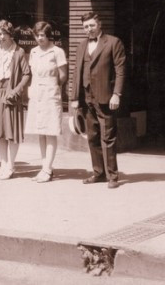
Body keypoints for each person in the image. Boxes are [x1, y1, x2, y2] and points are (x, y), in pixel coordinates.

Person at [74, 12, 126, 189]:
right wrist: (74, 98)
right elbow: (77, 72)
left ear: (99, 24)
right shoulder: (81, 46)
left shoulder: (113, 42)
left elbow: (120, 70)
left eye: (92, 25)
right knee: (92, 137)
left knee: (108, 137)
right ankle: (98, 172)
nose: (89, 29)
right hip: (87, 98)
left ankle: (112, 176)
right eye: (86, 27)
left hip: (106, 97)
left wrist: (116, 94)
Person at [0, 20, 31, 180]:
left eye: (3, 33)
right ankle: (3, 164)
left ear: (10, 34)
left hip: (10, 93)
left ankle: (11, 165)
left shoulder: (18, 52)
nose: (0, 36)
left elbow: (26, 74)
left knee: (11, 131)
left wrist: (17, 90)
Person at [24, 22, 68, 183]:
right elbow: (33, 73)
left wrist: (53, 87)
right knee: (40, 132)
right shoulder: (34, 51)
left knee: (50, 131)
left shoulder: (57, 51)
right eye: (37, 35)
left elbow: (63, 75)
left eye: (42, 35)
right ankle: (44, 167)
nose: (39, 38)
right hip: (36, 93)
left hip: (50, 93)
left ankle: (47, 169)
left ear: (48, 35)